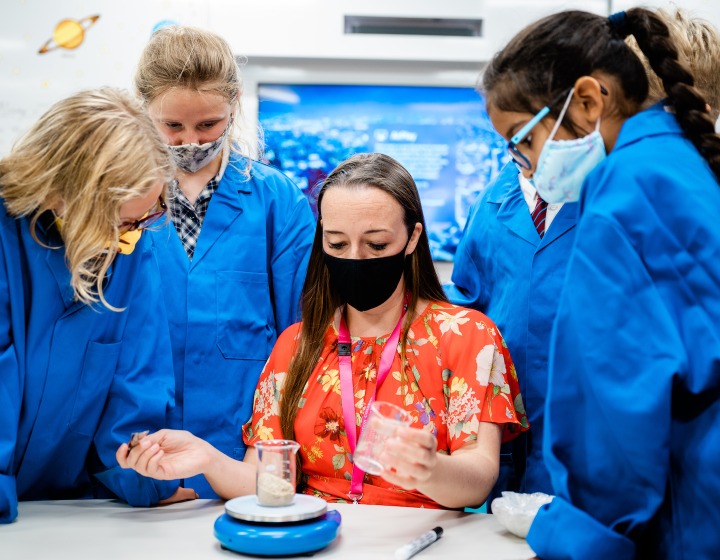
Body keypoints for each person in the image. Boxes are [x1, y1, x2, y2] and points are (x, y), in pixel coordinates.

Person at [117, 152, 529, 509]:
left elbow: (477, 480)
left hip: (423, 539)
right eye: (336, 244)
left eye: (377, 245)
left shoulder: (467, 337)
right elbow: (267, 479)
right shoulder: (296, 346)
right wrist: (206, 457)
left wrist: (431, 468)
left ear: (412, 238)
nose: (356, 258)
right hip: (318, 536)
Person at [446, 5, 720, 505]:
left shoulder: (628, 192)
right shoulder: (508, 195)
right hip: (530, 455)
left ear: (597, 97)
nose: (524, 165)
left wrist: (580, 534)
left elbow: (624, 402)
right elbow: (468, 302)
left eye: (524, 140)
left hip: (648, 487)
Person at [134, 26, 316, 498]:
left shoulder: (277, 201)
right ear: (142, 108)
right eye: (172, 126)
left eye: (208, 125)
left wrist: (270, 452)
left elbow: (301, 339)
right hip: (139, 459)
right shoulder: (125, 200)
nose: (191, 141)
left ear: (233, 103)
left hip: (245, 461)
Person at [0, 88, 195, 523]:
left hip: (73, 509)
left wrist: (145, 474)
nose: (128, 238)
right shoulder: (7, 237)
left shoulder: (132, 245)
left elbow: (138, 376)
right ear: (65, 193)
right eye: (120, 222)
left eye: (141, 221)